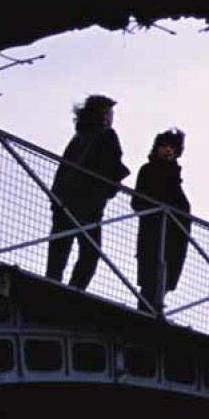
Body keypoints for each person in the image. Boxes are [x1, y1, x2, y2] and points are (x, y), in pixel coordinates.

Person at [46, 95, 127, 290]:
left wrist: (56, 198)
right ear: (103, 114)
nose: (111, 117)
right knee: (90, 251)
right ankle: (76, 290)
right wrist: (112, 187)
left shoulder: (78, 137)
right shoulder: (107, 135)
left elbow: (63, 168)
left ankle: (50, 286)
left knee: (59, 248)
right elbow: (111, 166)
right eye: (109, 112)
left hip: (64, 200)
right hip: (89, 202)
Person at [132, 128, 192, 315]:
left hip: (174, 238)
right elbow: (137, 201)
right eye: (164, 146)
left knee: (165, 279)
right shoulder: (149, 170)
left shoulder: (175, 177)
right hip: (154, 235)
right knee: (152, 279)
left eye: (172, 148)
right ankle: (147, 314)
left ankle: (153, 311)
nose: (168, 150)